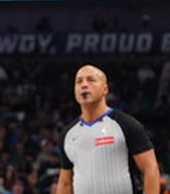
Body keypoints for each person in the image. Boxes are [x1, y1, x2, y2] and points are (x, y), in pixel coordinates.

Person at [56, 65, 160, 194]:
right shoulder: (68, 134)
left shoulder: (126, 124)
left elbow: (150, 169)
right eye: (79, 81)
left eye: (91, 80)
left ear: (105, 89)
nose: (84, 85)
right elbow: (65, 183)